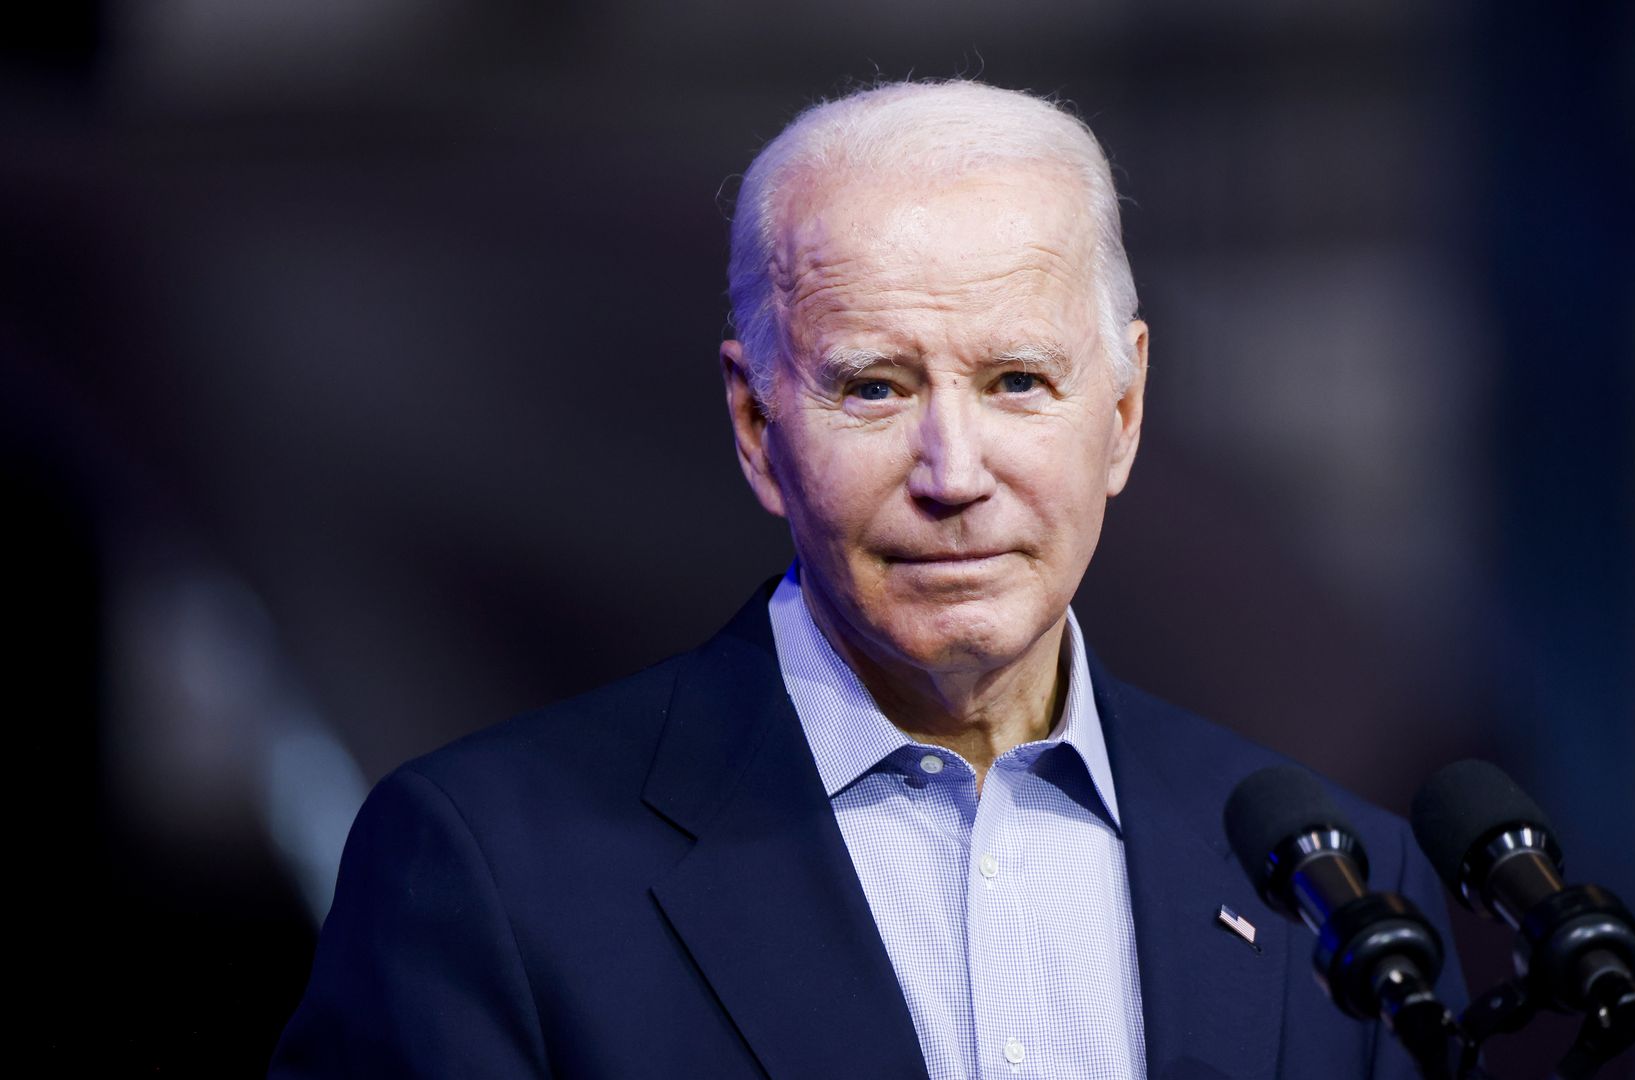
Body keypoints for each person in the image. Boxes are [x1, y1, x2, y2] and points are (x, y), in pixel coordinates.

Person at [271, 79, 1464, 1079]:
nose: (954, 473)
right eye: (877, 388)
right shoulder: (491, 872)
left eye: (1016, 384)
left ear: (1124, 410)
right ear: (755, 425)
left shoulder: (1346, 888)